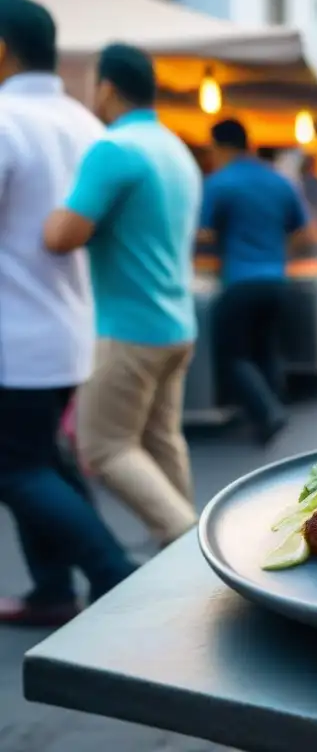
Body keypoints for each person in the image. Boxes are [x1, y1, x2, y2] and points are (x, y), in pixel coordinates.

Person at [0, 0, 136, 625]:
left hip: (14, 336)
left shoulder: (4, 118)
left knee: (19, 468)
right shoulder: (86, 123)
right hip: (67, 330)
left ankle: (114, 574)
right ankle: (52, 588)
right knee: (40, 461)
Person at [45, 43, 202, 548]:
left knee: (105, 447)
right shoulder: (174, 147)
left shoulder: (114, 148)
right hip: (177, 325)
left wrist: (48, 213)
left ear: (106, 86)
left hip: (129, 327)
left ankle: (186, 543)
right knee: (160, 440)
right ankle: (187, 541)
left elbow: (61, 236)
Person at [199, 118, 309, 443]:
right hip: (277, 281)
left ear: (219, 146)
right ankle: (276, 405)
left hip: (241, 282)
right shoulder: (278, 180)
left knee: (232, 354)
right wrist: (278, 255)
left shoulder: (219, 182)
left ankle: (267, 412)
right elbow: (302, 230)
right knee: (265, 347)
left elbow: (204, 233)